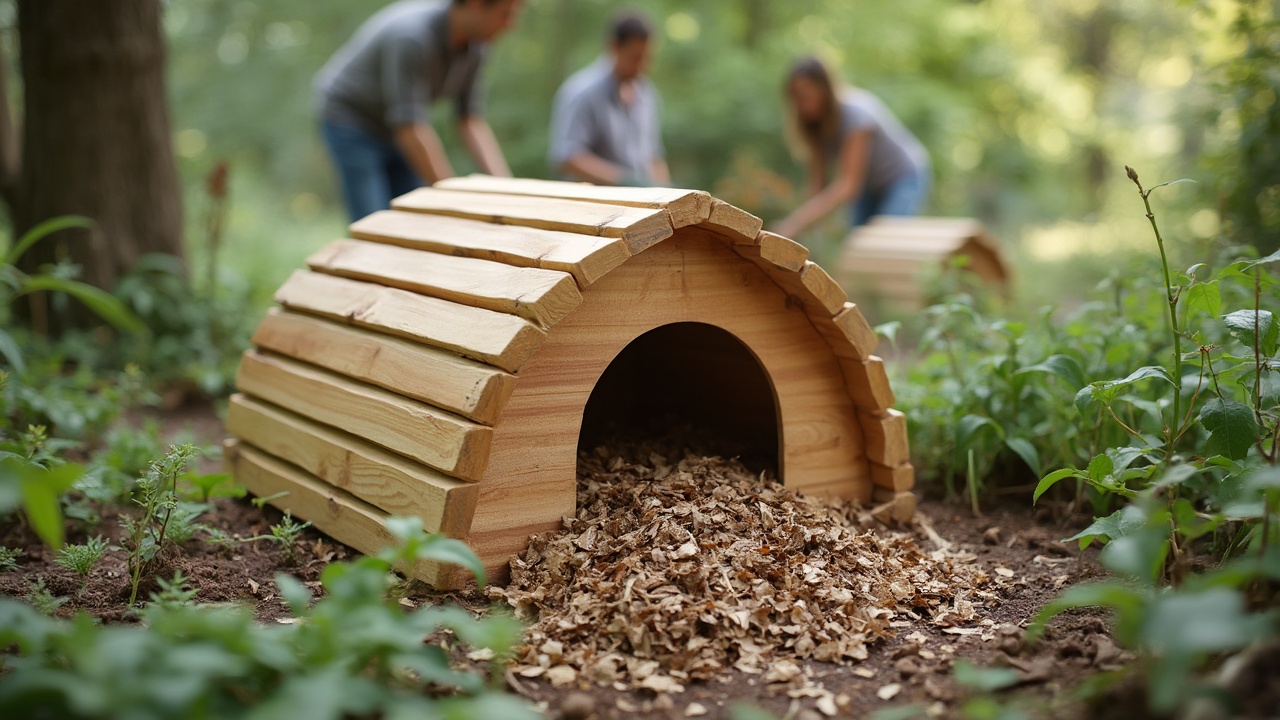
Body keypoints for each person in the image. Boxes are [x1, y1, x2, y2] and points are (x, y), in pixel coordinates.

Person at [315, 0, 522, 222]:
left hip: (399, 126)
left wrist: (506, 188)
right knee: (373, 221)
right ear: (475, 4)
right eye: (505, 14)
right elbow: (409, 129)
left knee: (415, 214)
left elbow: (469, 119)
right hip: (352, 119)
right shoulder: (412, 36)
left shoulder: (476, 47)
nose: (511, 25)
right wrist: (453, 200)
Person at [772, 56, 930, 238]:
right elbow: (817, 187)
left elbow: (848, 184)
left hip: (902, 177)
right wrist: (806, 226)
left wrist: (794, 224)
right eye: (795, 97)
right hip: (869, 185)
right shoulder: (815, 127)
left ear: (824, 90)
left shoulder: (856, 114)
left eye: (805, 96)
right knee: (857, 243)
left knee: (886, 241)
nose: (800, 105)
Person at [548, 11, 669, 187]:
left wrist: (665, 192)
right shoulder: (582, 93)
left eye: (647, 58)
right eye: (635, 57)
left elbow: (654, 156)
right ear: (615, 47)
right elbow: (568, 157)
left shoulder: (646, 94)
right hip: (596, 207)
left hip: (641, 207)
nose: (642, 66)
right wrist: (624, 180)